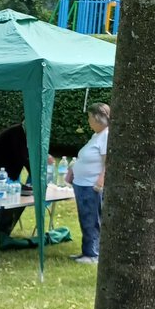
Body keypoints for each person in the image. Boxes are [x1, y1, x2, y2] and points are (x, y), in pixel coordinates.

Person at [65, 103, 110, 263]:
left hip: (91, 185)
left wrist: (100, 180)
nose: (89, 121)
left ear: (98, 119)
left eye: (90, 117)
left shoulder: (105, 136)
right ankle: (87, 251)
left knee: (91, 218)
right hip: (82, 184)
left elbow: (107, 162)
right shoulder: (97, 135)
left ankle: (93, 254)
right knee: (85, 218)